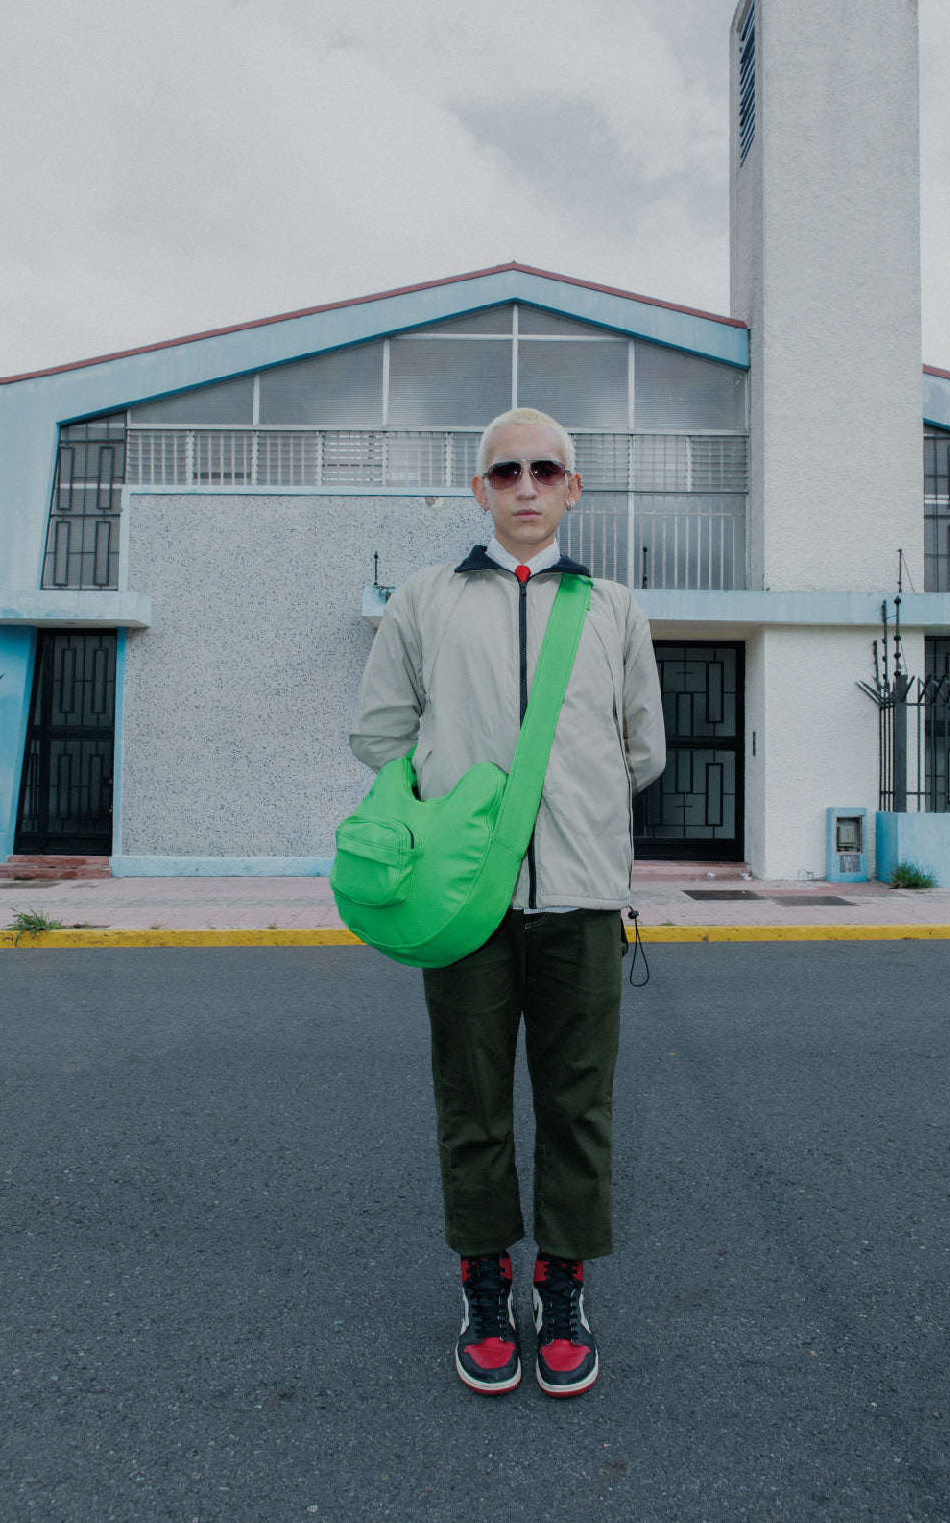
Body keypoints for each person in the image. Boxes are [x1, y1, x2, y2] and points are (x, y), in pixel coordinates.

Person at [348, 406, 665, 1397]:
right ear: (479, 488)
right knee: (472, 1102)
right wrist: (452, 807)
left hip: (581, 898)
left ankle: (562, 1287)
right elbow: (379, 734)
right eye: (505, 471)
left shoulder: (614, 608)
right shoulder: (425, 598)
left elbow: (642, 748)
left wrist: (572, 808)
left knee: (579, 1107)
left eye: (545, 470)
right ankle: (484, 1286)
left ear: (573, 488)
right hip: (461, 907)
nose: (525, 486)